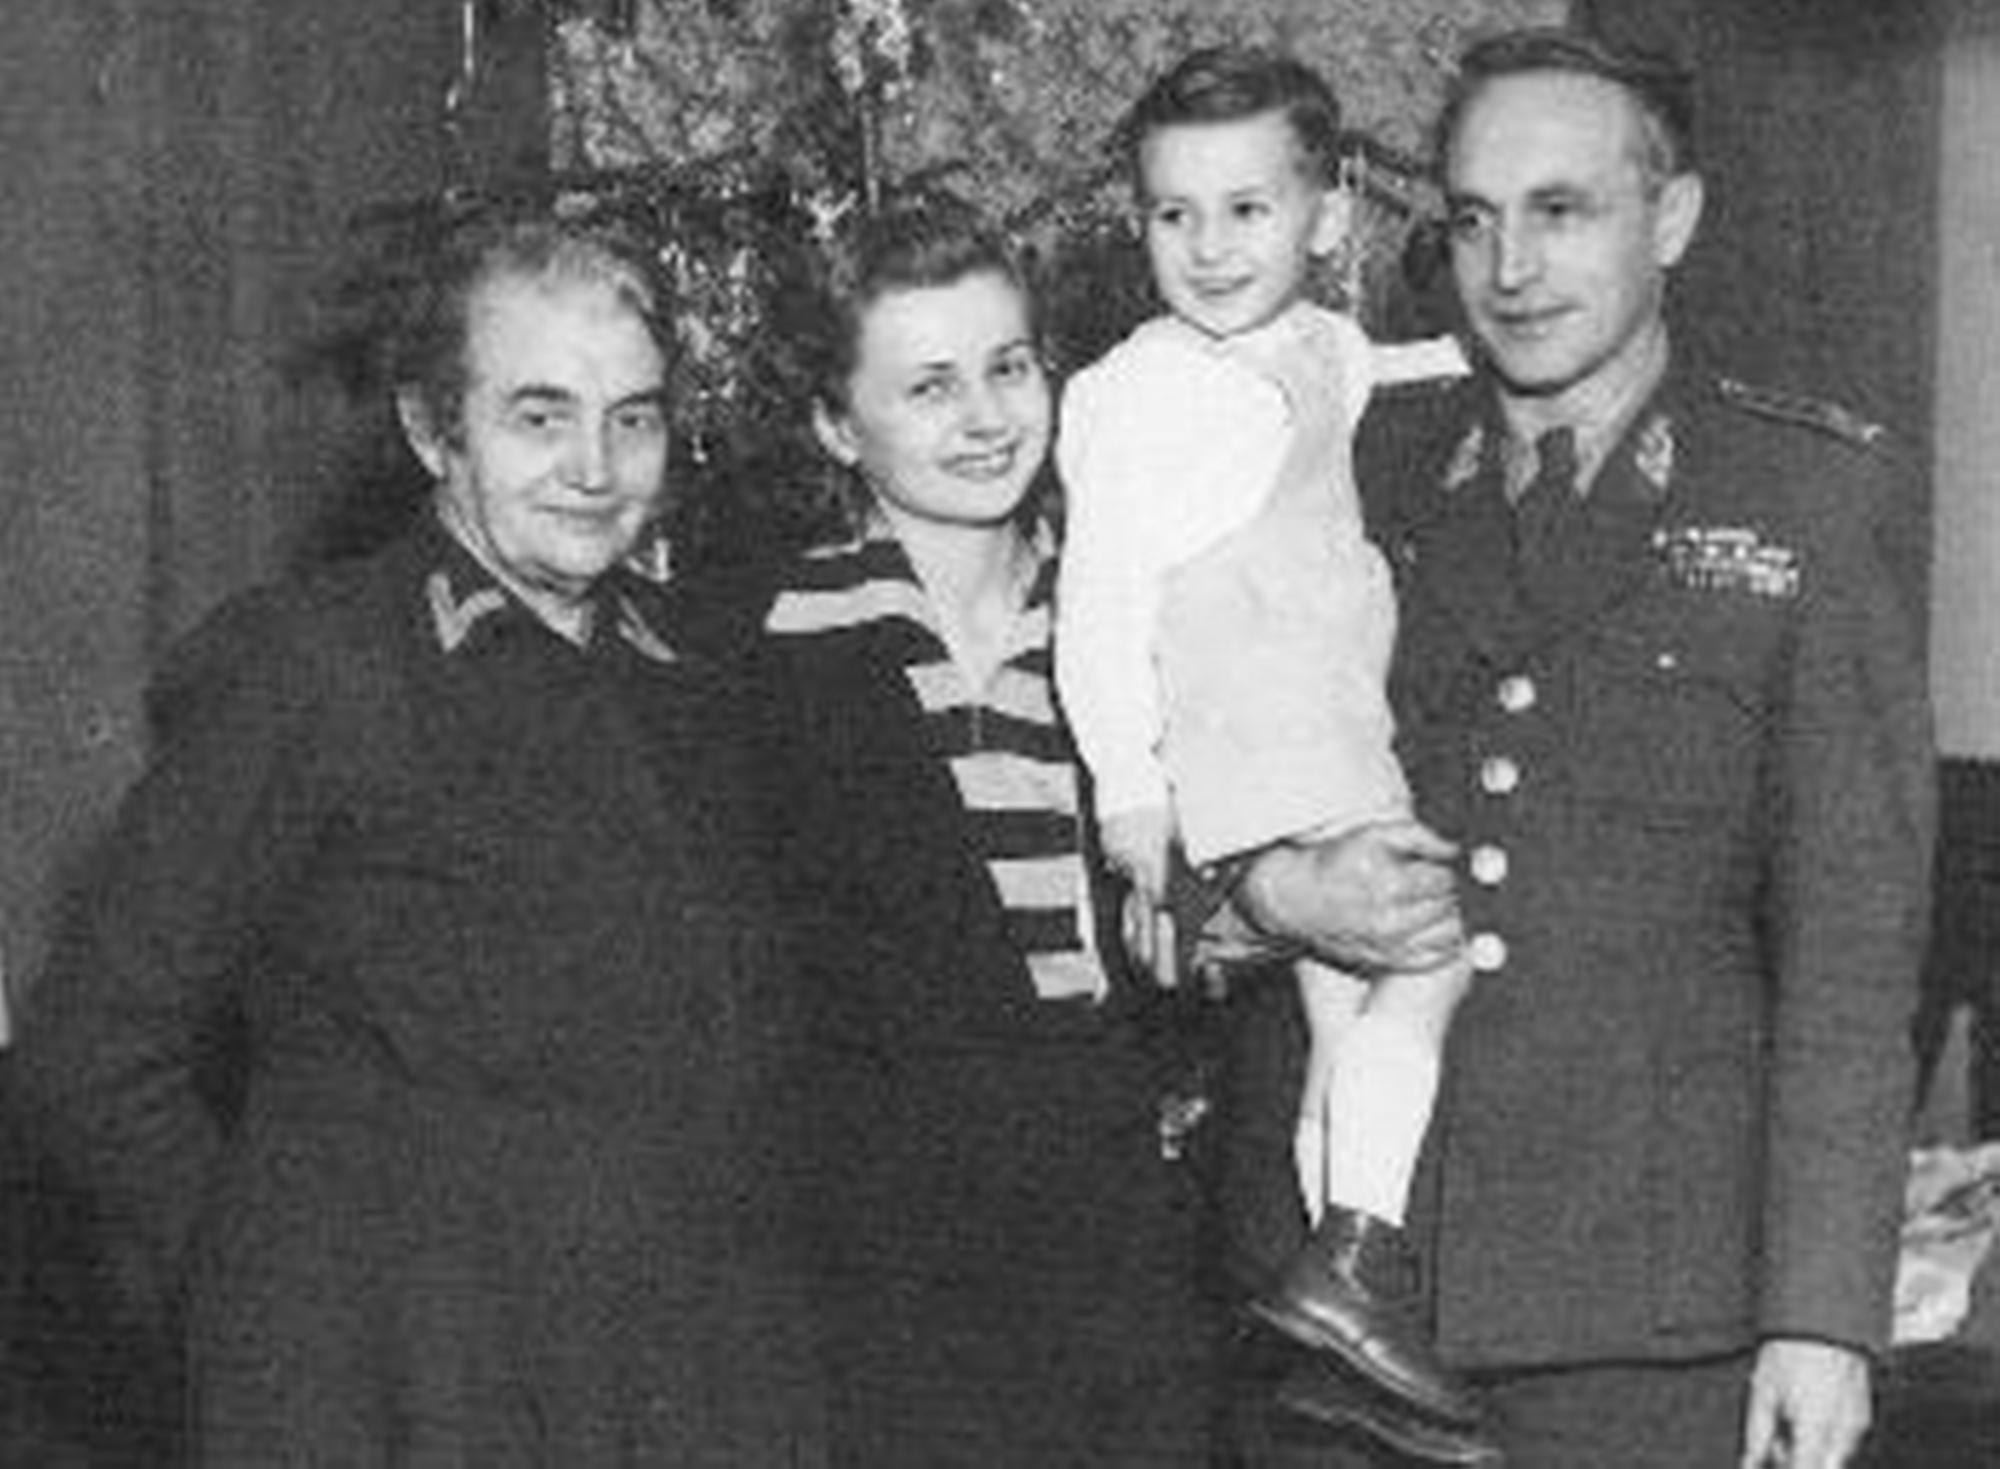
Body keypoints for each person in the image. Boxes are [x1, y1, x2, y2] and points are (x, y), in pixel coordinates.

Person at [1218, 26, 1935, 1469]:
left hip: (1645, 1309)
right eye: (1474, 219)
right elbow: (1183, 734)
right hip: (1347, 1296)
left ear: (1671, 219)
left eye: (1562, 211)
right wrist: (1264, 895)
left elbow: (1851, 954)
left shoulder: (1804, 498)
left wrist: (1822, 1318)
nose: (1512, 268)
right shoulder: (1348, 461)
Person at [13, 210, 827, 1466]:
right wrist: (274, 1291)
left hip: (671, 1384)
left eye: (634, 418)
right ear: (432, 430)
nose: (595, 467)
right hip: (403, 1395)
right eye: (539, 416)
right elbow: (92, 1046)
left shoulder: (692, 674)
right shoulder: (310, 666)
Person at [1054, 42, 1481, 1442]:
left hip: (1324, 720)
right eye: (1173, 214)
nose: (1209, 246)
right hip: (1266, 736)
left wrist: (1484, 351)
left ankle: (1336, 1306)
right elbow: (1101, 602)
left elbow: (1383, 372)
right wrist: (1133, 792)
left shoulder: (1326, 347)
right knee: (1428, 954)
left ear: (1326, 215)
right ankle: (1356, 1255)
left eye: (1247, 209)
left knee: (1336, 1017)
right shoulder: (1134, 390)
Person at [759, 197, 1215, 1468]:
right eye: (928, 386)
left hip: (1112, 1234)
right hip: (879, 1260)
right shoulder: (768, 643)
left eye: (1008, 368)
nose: (985, 417)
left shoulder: (1127, 618)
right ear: (835, 423)